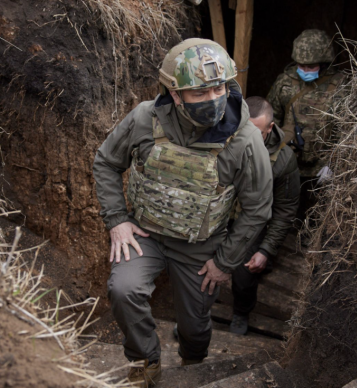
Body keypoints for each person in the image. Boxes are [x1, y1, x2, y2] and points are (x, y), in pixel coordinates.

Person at [93, 38, 273, 387]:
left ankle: (194, 362)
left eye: (218, 87)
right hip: (146, 234)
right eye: (198, 92)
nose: (213, 99)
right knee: (123, 290)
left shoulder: (245, 139)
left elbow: (257, 209)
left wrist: (225, 262)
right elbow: (106, 161)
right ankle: (145, 363)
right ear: (175, 94)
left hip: (200, 247)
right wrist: (117, 220)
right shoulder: (146, 117)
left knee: (194, 325)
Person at [228, 97, 300, 335]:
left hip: (253, 224)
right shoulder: (224, 138)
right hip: (222, 215)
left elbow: (285, 210)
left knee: (244, 271)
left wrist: (266, 250)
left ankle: (241, 311)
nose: (247, 137)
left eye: (256, 132)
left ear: (270, 128)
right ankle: (193, 318)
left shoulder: (283, 160)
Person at [266, 29, 346, 180]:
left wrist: (334, 163)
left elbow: (345, 129)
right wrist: (269, 154)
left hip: (321, 164)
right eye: (301, 66)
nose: (304, 70)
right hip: (287, 160)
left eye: (311, 67)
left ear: (323, 64)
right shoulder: (285, 82)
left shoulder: (340, 86)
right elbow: (271, 119)